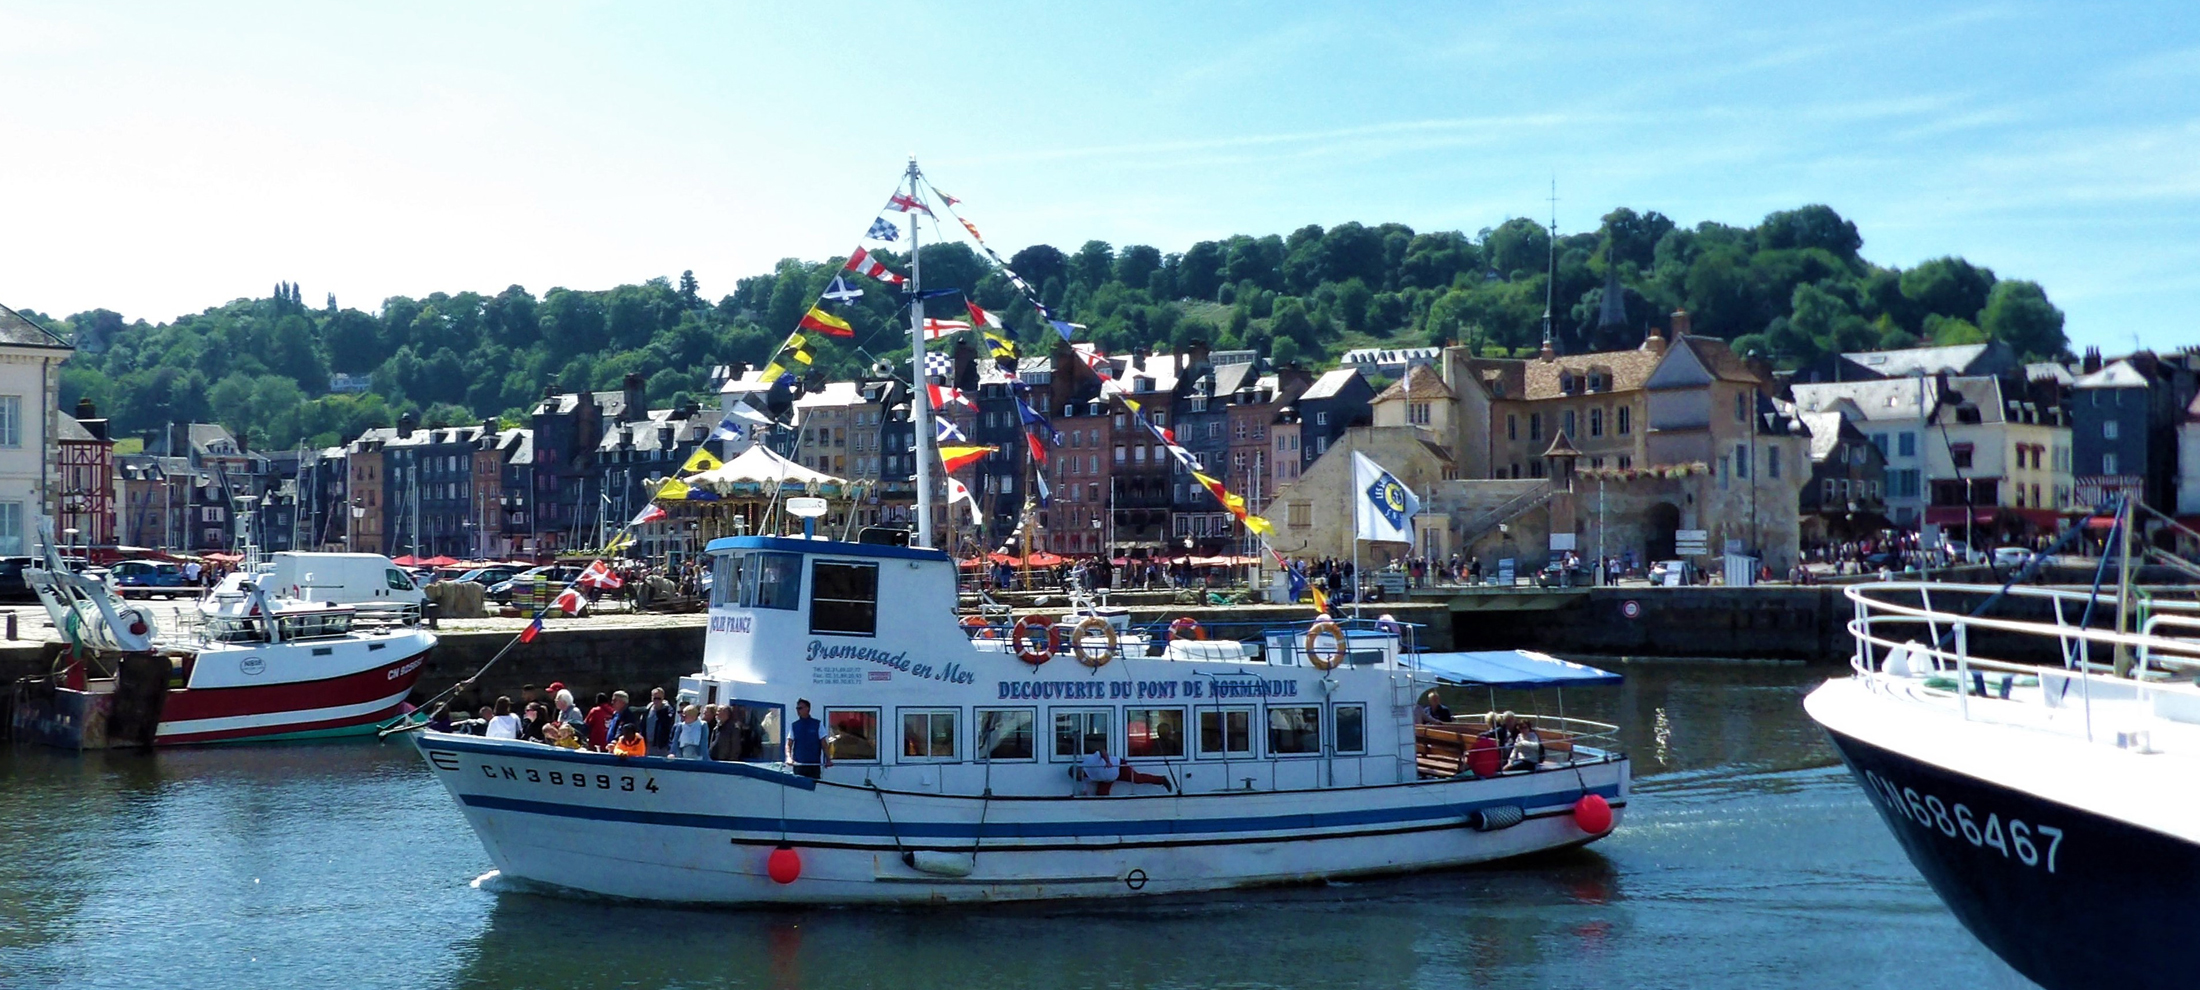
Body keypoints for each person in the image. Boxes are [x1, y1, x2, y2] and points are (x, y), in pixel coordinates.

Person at [1078, 737, 1171, 795]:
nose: (1080, 777)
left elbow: (1101, 751)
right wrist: (1084, 793)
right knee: (1101, 794)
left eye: (1079, 775)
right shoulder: (1084, 779)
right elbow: (1084, 788)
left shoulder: (1089, 761)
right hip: (1107, 778)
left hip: (1117, 767)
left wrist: (1108, 761)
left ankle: (1161, 780)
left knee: (1137, 779)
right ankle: (1105, 813)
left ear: (1080, 770)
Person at [785, 699, 830, 778]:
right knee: (798, 788)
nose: (798, 711)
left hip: (814, 765)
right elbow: (789, 744)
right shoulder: (794, 725)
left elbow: (824, 744)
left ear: (807, 708)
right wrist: (788, 757)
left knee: (814, 788)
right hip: (799, 765)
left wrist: (828, 759)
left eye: (800, 708)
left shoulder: (817, 724)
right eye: (797, 708)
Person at [641, 687, 676, 756]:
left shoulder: (668, 711)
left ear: (663, 698)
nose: (657, 700)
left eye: (659, 698)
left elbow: (669, 726)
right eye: (655, 698)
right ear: (651, 698)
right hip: (647, 745)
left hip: (661, 746)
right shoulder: (647, 710)